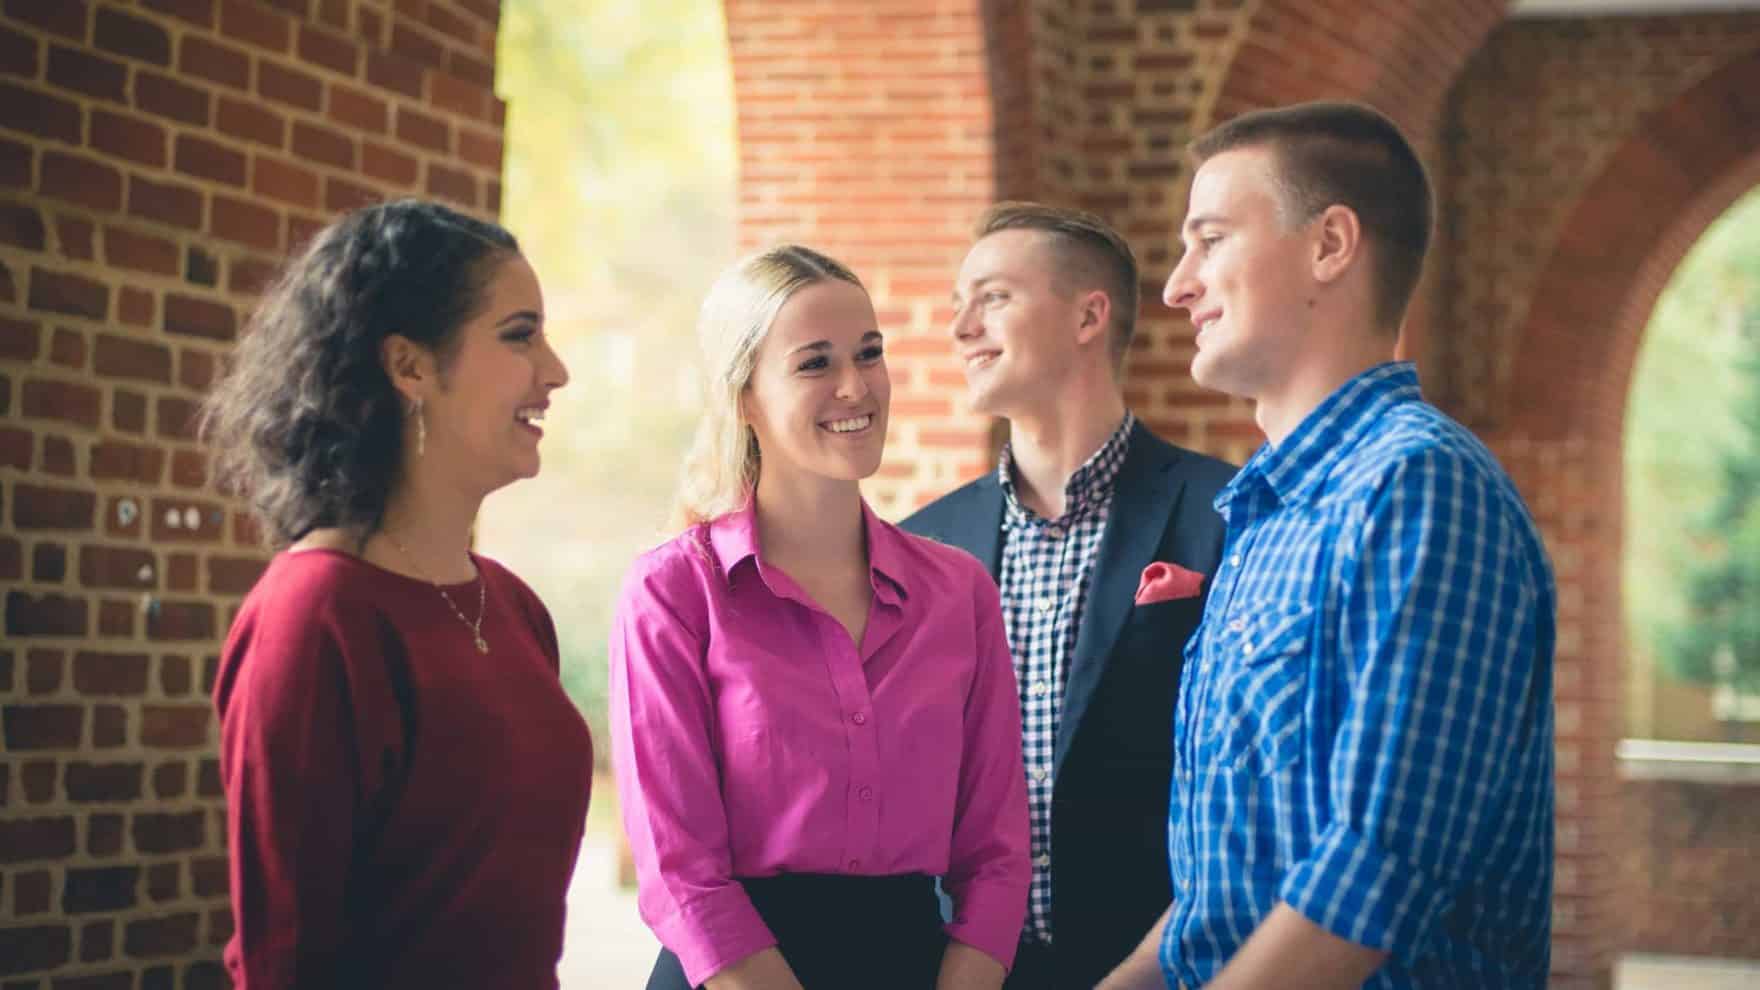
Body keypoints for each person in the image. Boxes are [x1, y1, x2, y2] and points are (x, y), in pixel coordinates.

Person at [1101, 101, 1556, 990]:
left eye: (1212, 239)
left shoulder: (1420, 488)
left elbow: (1373, 873)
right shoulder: (1266, 514)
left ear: (1330, 245)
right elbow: (1228, 885)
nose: (1177, 285)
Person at [609, 245, 1029, 990]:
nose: (855, 386)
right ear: (743, 396)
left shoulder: (961, 594)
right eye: (814, 363)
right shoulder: (674, 592)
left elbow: (996, 854)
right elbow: (680, 872)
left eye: (870, 354)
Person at [201, 199, 590, 989]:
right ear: (410, 366)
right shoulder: (313, 618)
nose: (555, 371)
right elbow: (289, 964)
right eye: (520, 335)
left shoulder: (515, 610)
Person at [901, 202, 1235, 990]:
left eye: (993, 297)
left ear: (1090, 315)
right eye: (959, 303)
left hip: (1170, 968)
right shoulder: (917, 548)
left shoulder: (1228, 514)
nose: (960, 328)